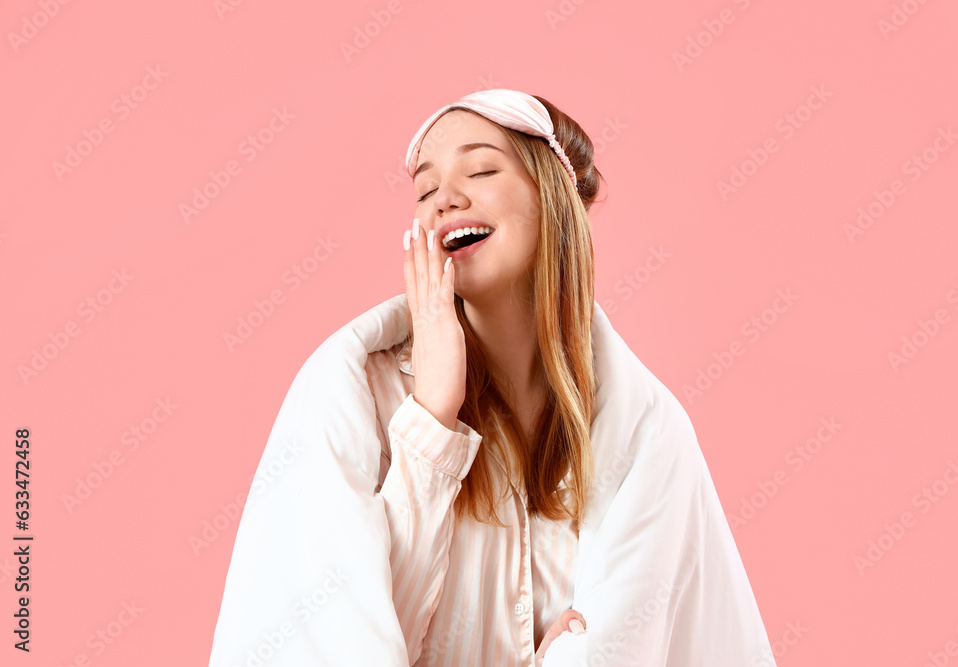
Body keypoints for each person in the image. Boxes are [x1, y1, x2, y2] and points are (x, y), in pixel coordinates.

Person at [206, 89, 775, 666]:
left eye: (479, 169)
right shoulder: (353, 388)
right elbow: (335, 642)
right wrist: (431, 418)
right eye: (425, 189)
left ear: (553, 199)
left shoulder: (646, 430)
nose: (444, 200)